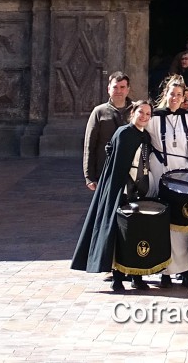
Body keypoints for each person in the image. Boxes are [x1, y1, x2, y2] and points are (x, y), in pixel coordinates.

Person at [72, 100, 165, 292]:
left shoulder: (145, 137)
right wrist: (123, 189)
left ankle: (136, 276)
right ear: (133, 112)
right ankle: (117, 277)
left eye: (148, 114)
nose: (144, 117)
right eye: (141, 112)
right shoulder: (124, 133)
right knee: (119, 235)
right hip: (122, 192)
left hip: (139, 191)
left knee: (137, 233)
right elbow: (118, 166)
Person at [148, 75, 188, 288]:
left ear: (184, 98)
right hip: (160, 173)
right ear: (165, 94)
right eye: (171, 94)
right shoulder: (153, 118)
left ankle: (186, 270)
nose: (175, 98)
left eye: (179, 95)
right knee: (163, 223)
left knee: (184, 223)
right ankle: (164, 271)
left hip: (184, 176)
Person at [83, 72, 132, 191]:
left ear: (128, 89)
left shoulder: (136, 111)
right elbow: (90, 144)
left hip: (131, 170)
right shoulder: (99, 112)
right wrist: (89, 176)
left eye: (122, 87)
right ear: (109, 89)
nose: (118, 91)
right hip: (105, 169)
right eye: (115, 87)